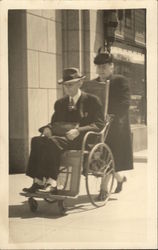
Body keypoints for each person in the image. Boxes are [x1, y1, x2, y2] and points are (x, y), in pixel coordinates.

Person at [23, 67, 105, 194]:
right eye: (65, 86)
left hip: (82, 139)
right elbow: (54, 122)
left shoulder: (92, 101)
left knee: (53, 142)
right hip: (61, 138)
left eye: (70, 85)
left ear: (80, 83)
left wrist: (79, 130)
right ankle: (38, 181)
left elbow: (99, 124)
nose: (67, 89)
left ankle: (52, 182)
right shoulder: (60, 103)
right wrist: (48, 128)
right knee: (37, 141)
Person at [91, 48, 133, 196]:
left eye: (104, 67)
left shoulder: (120, 81)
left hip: (116, 126)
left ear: (111, 67)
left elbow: (125, 103)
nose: (101, 70)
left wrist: (111, 114)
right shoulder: (92, 84)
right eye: (98, 67)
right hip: (97, 125)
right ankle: (120, 179)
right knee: (104, 157)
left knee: (109, 155)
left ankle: (103, 189)